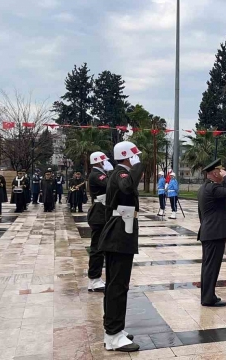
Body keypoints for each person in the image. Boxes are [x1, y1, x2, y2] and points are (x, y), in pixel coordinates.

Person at [97, 141, 143, 352]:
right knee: (117, 286)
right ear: (128, 157)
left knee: (118, 285)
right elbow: (128, 186)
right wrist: (138, 166)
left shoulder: (118, 173)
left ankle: (115, 330)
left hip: (121, 232)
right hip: (118, 234)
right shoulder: (120, 174)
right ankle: (113, 335)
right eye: (134, 156)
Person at [197, 159, 226, 307]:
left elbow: (201, 214)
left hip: (209, 231)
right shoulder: (212, 188)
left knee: (208, 266)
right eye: (220, 171)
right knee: (211, 266)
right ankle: (208, 298)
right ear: (215, 173)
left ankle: (208, 296)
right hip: (214, 233)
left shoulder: (204, 188)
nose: (222, 173)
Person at [87, 151, 113, 293]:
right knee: (97, 248)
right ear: (98, 162)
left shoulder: (98, 173)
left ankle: (95, 278)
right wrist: (112, 172)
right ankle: (94, 279)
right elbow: (110, 184)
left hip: (101, 211)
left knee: (99, 247)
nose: (106, 163)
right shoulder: (97, 174)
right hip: (98, 213)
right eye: (104, 161)